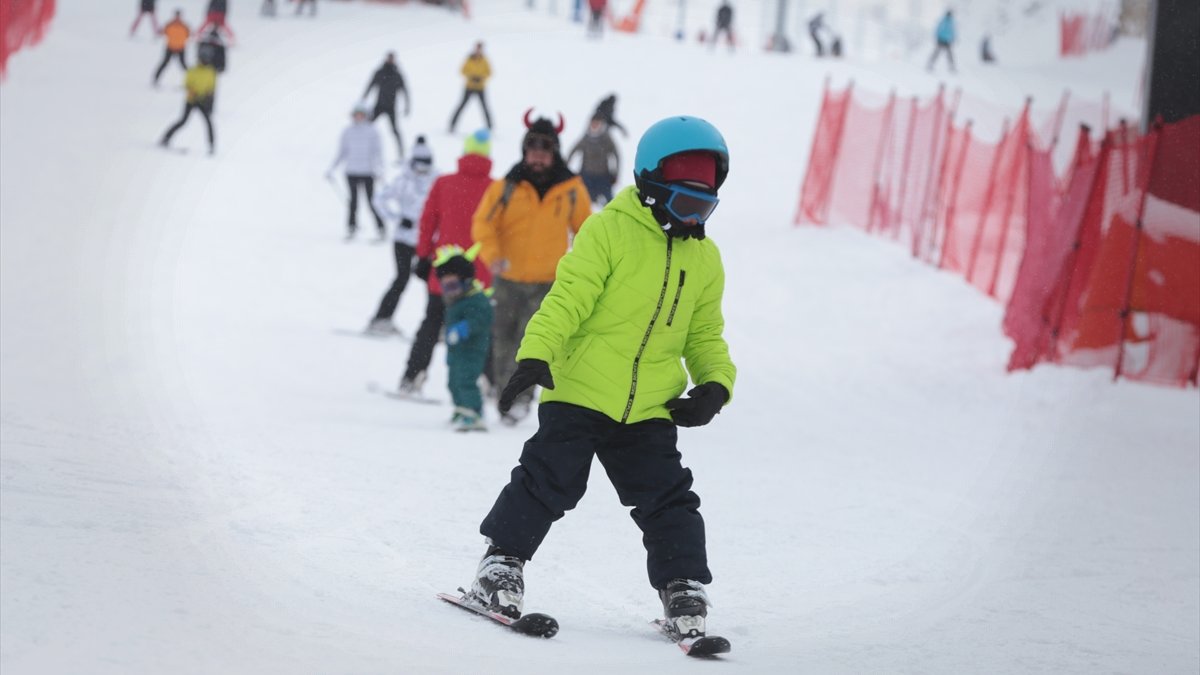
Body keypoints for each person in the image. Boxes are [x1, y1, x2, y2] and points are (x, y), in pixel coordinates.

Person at [460, 116, 737, 642]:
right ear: (652, 189)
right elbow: (567, 298)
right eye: (684, 202)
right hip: (581, 391)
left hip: (651, 405)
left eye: (704, 206)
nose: (694, 217)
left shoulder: (706, 259)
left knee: (668, 497)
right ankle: (500, 565)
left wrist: (714, 385)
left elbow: (705, 334)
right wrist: (536, 353)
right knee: (548, 481)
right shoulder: (607, 230)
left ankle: (682, 585)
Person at [470, 111, 591, 425]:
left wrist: (581, 270)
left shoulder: (572, 188)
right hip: (507, 278)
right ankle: (503, 393)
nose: (537, 157)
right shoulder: (506, 186)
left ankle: (521, 399)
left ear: (554, 153)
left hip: (548, 282)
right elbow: (483, 223)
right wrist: (492, 255)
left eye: (544, 151)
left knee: (532, 342)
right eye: (532, 150)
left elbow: (588, 233)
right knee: (502, 340)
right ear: (525, 151)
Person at [398, 130, 495, 396]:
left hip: (444, 271)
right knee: (483, 327)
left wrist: (423, 256)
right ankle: (492, 382)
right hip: (481, 275)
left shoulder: (444, 183)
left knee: (431, 323)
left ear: (464, 152)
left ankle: (412, 376)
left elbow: (428, 221)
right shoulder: (496, 189)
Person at [366, 136, 439, 335]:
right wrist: (397, 218)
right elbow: (379, 199)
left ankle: (435, 326)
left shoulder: (437, 181)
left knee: (433, 282)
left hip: (428, 241)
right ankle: (381, 319)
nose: (422, 169)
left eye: (426, 164)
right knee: (401, 278)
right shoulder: (403, 180)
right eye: (419, 164)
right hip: (404, 239)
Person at [433, 244, 494, 432]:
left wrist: (464, 328)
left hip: (472, 350)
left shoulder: (477, 299)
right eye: (445, 286)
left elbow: (482, 319)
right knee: (453, 382)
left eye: (453, 285)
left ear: (466, 280)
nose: (449, 291)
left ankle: (475, 412)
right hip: (456, 351)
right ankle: (461, 408)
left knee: (466, 380)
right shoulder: (456, 300)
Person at [327, 104, 385, 240]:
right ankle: (351, 227)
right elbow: (342, 152)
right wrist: (332, 168)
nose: (358, 117)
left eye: (361, 114)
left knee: (371, 201)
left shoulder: (372, 131)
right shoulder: (347, 132)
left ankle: (381, 228)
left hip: (368, 172)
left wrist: (380, 169)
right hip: (351, 171)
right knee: (353, 202)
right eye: (356, 114)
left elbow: (378, 152)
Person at [159, 51, 217, 154]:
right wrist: (192, 92)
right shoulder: (192, 71)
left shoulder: (211, 72)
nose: (204, 62)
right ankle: (166, 138)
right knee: (182, 121)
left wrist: (208, 97)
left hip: (203, 102)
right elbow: (186, 84)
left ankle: (211, 145)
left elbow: (212, 87)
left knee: (208, 122)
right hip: (191, 100)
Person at [362, 52, 411, 159]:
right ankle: (359, 148)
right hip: (379, 105)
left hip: (391, 107)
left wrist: (407, 106)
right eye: (389, 58)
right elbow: (370, 84)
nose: (390, 60)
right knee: (366, 127)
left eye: (392, 58)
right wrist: (363, 99)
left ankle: (401, 154)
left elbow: (405, 91)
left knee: (394, 130)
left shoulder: (397, 75)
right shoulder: (380, 72)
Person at [567, 116, 620, 206]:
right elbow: (573, 151)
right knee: (582, 201)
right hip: (587, 176)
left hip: (603, 176)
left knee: (610, 203)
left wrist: (616, 172)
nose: (595, 126)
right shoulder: (586, 138)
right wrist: (566, 169)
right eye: (593, 123)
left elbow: (616, 155)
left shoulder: (606, 139)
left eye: (597, 123)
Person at [448, 42, 492, 133]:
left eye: (480, 49)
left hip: (480, 87)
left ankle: (489, 127)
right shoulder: (469, 59)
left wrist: (481, 78)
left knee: (484, 107)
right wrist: (471, 77)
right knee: (462, 105)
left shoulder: (484, 60)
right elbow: (462, 70)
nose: (478, 50)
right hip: (469, 87)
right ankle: (452, 125)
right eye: (477, 48)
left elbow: (489, 72)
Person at [152, 10, 190, 86]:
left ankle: (191, 80)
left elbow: (189, 35)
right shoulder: (169, 24)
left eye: (179, 16)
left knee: (184, 66)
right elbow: (162, 32)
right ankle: (155, 80)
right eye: (176, 16)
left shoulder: (184, 26)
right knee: (164, 63)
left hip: (180, 48)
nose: (177, 17)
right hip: (170, 47)